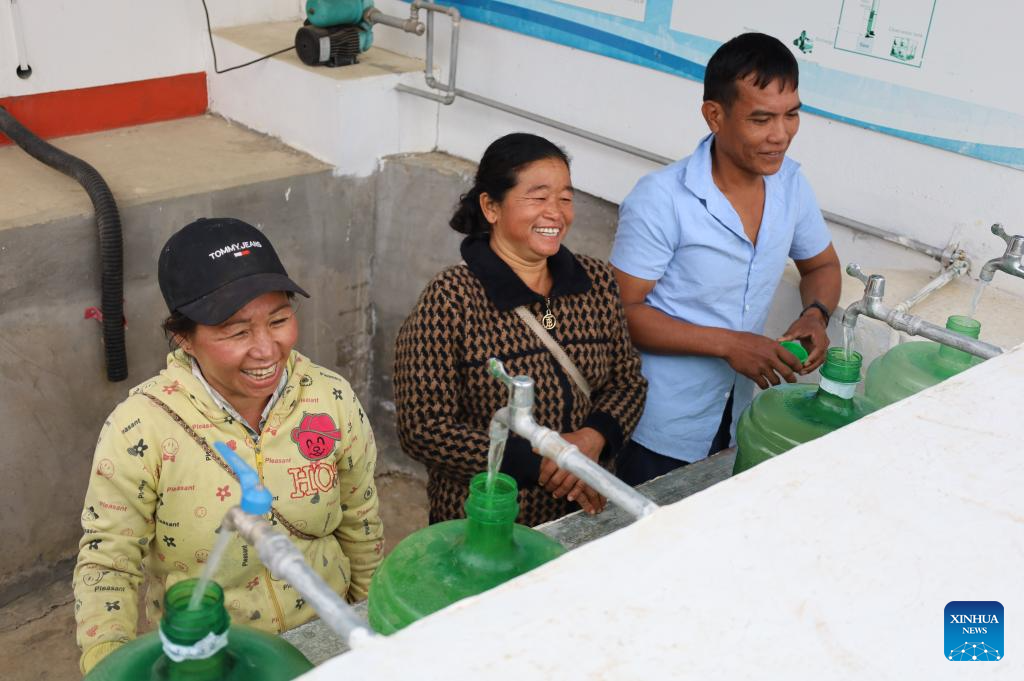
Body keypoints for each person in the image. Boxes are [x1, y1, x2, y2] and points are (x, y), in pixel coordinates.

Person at [73, 218, 384, 673]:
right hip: (216, 660)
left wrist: (371, 623)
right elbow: (108, 563)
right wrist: (108, 665)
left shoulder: (329, 398)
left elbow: (361, 520)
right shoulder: (140, 428)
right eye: (237, 332)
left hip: (325, 641)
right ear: (184, 337)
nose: (266, 349)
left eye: (279, 320)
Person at [610, 33, 841, 485]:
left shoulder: (790, 184)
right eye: (761, 119)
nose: (780, 135)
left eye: (791, 115)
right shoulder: (662, 198)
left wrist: (815, 315)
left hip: (736, 414)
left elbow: (821, 267)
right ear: (715, 116)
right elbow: (621, 313)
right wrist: (729, 344)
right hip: (658, 420)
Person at [394, 133, 647, 526]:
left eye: (565, 198)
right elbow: (423, 428)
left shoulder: (595, 281)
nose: (556, 213)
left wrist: (592, 439)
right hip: (490, 520)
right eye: (538, 197)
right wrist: (541, 462)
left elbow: (627, 382)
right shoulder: (451, 299)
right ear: (491, 207)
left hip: (584, 511)